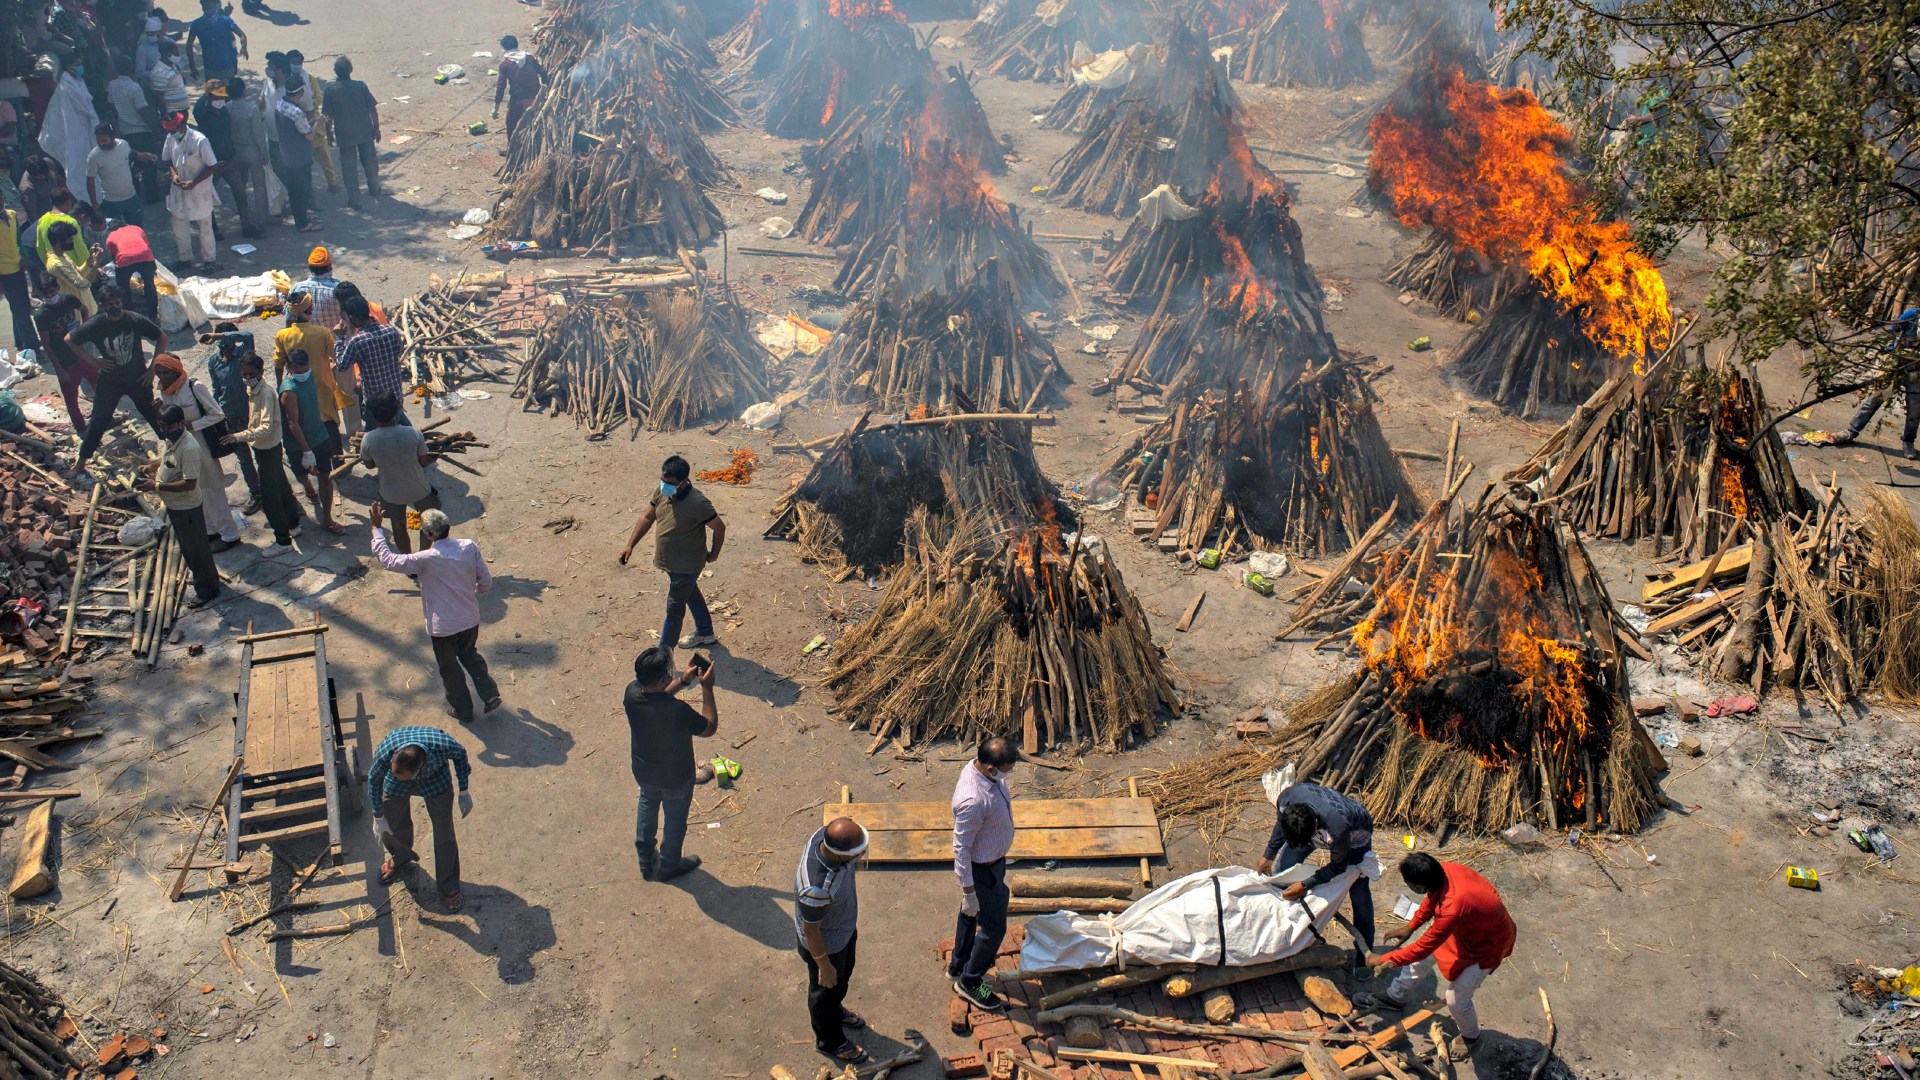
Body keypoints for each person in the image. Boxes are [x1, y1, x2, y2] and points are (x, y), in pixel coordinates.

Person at [1361, 854, 1517, 1060]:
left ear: (1418, 885)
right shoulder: (1443, 871)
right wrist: (1410, 926)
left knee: (1456, 999)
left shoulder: (1452, 907)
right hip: (1465, 929)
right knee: (1418, 961)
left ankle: (1471, 1036)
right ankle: (1396, 997)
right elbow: (1430, 900)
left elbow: (1423, 948)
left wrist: (1384, 959)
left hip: (1487, 945)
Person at [370, 503, 502, 724]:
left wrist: (376, 529)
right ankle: (490, 694)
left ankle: (464, 711)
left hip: (443, 629)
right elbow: (486, 582)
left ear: (429, 534)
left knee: (451, 671)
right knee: (471, 656)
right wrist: (473, 593)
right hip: (469, 619)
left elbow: (388, 560)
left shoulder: (424, 560)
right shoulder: (468, 547)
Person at [624, 645, 717, 882]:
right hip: (676, 777)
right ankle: (669, 865)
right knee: (675, 822)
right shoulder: (678, 711)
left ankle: (646, 858)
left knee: (647, 803)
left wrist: (684, 681)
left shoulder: (632, 694)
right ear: (664, 677)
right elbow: (709, 727)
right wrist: (707, 688)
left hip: (644, 770)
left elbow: (659, 697)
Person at [618, 455, 725, 651]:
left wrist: (714, 553)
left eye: (670, 483)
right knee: (691, 594)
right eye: (663, 480)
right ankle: (705, 632)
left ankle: (663, 655)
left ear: (684, 482)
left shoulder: (698, 503)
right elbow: (647, 516)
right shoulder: (661, 492)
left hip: (686, 565)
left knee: (674, 610)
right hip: (672, 563)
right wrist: (630, 544)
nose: (665, 485)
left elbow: (719, 527)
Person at [1257, 781, 1378, 953]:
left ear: (1314, 830)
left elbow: (1338, 867)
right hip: (1316, 826)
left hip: (1355, 838)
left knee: (1359, 892)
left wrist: (1305, 884)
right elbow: (1281, 824)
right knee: (1282, 872)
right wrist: (1269, 854)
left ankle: (1364, 952)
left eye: (1304, 843)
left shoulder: (1338, 829)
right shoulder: (1287, 799)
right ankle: (1277, 929)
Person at [367, 725, 473, 912]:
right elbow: (374, 780)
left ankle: (448, 886)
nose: (399, 777)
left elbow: (461, 754)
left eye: (404, 776)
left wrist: (464, 790)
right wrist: (378, 815)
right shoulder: (387, 752)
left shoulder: (443, 745)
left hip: (435, 781)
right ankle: (400, 856)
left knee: (444, 833)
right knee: (390, 817)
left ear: (418, 770)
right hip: (396, 781)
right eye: (394, 771)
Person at [794, 817, 871, 1066]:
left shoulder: (822, 836)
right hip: (825, 946)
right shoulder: (816, 889)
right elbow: (811, 930)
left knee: (842, 978)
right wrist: (824, 966)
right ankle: (830, 1040)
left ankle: (836, 1009)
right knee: (824, 992)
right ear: (841, 856)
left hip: (843, 931)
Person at [949, 737, 1018, 1011]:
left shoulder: (984, 774)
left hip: (993, 864)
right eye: (1006, 770)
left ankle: (959, 963)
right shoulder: (972, 800)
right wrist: (968, 890)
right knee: (993, 928)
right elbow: (961, 848)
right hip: (982, 871)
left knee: (969, 914)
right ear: (990, 768)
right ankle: (970, 981)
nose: (1008, 775)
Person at [151, 353, 241, 549]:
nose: (163, 377)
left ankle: (229, 533)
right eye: (159, 373)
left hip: (201, 444)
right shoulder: (165, 391)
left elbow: (217, 414)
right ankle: (210, 529)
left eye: (166, 372)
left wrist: (194, 424)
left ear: (176, 371)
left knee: (213, 488)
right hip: (181, 445)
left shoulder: (194, 387)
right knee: (197, 489)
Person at [70, 282, 167, 464]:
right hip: (110, 381)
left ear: (121, 301)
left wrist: (152, 370)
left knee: (153, 416)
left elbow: (162, 338)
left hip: (138, 378)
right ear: (102, 306)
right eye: (109, 304)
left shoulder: (134, 319)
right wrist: (93, 361)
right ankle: (81, 463)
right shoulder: (97, 324)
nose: (114, 307)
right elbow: (70, 339)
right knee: (99, 421)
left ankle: (176, 453)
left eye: (116, 303)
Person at [140, 405, 222, 607]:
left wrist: (156, 485)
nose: (166, 429)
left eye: (169, 426)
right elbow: (170, 462)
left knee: (196, 550)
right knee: (189, 548)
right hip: (176, 507)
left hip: (187, 507)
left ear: (180, 423)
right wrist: (152, 466)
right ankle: (209, 580)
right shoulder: (173, 441)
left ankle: (206, 591)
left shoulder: (189, 448)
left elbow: (189, 483)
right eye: (162, 426)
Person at [225, 351, 300, 555]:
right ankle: (294, 524)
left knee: (270, 497)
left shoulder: (265, 393)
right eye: (245, 374)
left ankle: (283, 541)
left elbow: (266, 427)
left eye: (251, 374)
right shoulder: (254, 389)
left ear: (261, 371)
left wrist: (238, 436)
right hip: (266, 448)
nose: (248, 378)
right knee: (283, 487)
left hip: (267, 449)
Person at [358, 393, 438, 552]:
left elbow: (369, 465)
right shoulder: (414, 433)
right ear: (397, 411)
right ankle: (424, 555)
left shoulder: (368, 439)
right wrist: (434, 457)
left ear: (373, 415)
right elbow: (423, 462)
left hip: (390, 492)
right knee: (428, 519)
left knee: (398, 524)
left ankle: (408, 562)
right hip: (418, 488)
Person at [277, 346, 339, 531]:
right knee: (302, 474)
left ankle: (327, 518)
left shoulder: (310, 377)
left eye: (305, 369)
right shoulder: (289, 391)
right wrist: (306, 451)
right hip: (298, 443)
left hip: (319, 435)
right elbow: (293, 424)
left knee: (325, 477)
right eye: (298, 370)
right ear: (289, 368)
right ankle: (308, 488)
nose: (303, 373)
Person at [203, 323, 263, 513]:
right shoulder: (214, 361)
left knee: (263, 454)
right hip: (230, 418)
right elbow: (216, 389)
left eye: (225, 340)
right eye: (220, 340)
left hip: (251, 414)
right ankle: (256, 493)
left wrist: (219, 335)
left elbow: (247, 335)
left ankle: (272, 490)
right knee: (244, 459)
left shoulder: (244, 356)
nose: (223, 345)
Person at [191, 80, 258, 238]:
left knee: (241, 194)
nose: (220, 101)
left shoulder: (224, 112)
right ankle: (212, 229)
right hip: (210, 164)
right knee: (207, 198)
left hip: (229, 160)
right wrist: (206, 93)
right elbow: (197, 109)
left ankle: (246, 226)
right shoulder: (203, 115)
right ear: (208, 97)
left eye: (221, 97)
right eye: (216, 97)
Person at [160, 110, 219, 273]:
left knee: (205, 228)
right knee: (179, 228)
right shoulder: (170, 138)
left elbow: (213, 165)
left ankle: (209, 261)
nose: (172, 134)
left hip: (199, 191)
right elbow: (167, 160)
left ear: (181, 126)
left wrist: (194, 183)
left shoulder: (200, 140)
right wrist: (173, 174)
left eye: (173, 131)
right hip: (178, 191)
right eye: (169, 132)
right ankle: (184, 259)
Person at [32, 289, 99, 429]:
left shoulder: (69, 299)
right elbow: (47, 344)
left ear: (57, 288)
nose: (50, 296)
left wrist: (83, 328)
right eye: (46, 294)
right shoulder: (41, 316)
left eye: (52, 292)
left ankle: (103, 416)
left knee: (99, 386)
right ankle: (81, 428)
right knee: (71, 399)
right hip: (65, 362)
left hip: (81, 354)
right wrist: (59, 370)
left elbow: (84, 309)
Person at [267, 68, 321, 234]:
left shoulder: (280, 104)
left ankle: (302, 218)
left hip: (286, 154)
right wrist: (318, 122)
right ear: (300, 92)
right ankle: (303, 223)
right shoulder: (297, 112)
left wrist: (309, 121)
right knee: (301, 191)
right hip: (299, 158)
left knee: (294, 190)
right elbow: (309, 136)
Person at [339, 294, 406, 424]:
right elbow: (399, 350)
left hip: (376, 406)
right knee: (396, 423)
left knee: (377, 435)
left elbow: (342, 365)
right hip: (396, 396)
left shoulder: (357, 341)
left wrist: (339, 338)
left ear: (354, 318)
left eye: (346, 318)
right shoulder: (391, 330)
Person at [324, 57, 381, 208]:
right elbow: (372, 110)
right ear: (351, 70)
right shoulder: (360, 86)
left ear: (335, 72)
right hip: (364, 130)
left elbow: (327, 117)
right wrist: (376, 128)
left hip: (345, 134)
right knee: (369, 160)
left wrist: (329, 133)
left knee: (349, 167)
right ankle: (374, 187)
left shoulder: (330, 90)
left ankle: (354, 200)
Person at [106, 60, 162, 203]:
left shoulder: (112, 85)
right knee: (149, 163)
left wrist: (117, 129)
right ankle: (152, 197)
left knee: (131, 165)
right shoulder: (134, 88)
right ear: (131, 69)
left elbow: (112, 109)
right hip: (141, 131)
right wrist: (156, 130)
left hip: (125, 132)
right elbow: (143, 110)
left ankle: (135, 195)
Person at [286, 51, 339, 192]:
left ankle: (332, 182)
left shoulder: (309, 78)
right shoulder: (286, 79)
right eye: (293, 62)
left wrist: (307, 104)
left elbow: (318, 97)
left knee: (324, 157)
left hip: (312, 121)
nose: (296, 65)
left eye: (299, 62)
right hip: (296, 125)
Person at [224, 77, 269, 234]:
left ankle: (244, 216)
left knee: (240, 186)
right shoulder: (252, 108)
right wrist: (264, 152)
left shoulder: (227, 108)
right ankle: (262, 220)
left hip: (236, 151)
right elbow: (258, 134)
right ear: (244, 91)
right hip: (252, 150)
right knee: (259, 187)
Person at [86, 123, 145, 225]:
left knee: (136, 229)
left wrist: (148, 155)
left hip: (131, 197)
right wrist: (94, 203)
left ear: (113, 137)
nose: (101, 143)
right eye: (98, 140)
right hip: (111, 202)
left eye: (104, 140)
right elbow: (90, 180)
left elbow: (133, 155)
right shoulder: (94, 157)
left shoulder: (123, 145)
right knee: (115, 233)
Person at [41, 221, 100, 317]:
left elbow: (79, 273)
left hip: (87, 307)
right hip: (77, 314)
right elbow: (83, 285)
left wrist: (90, 259)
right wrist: (96, 264)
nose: (72, 241)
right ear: (59, 242)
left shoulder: (63, 256)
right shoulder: (57, 265)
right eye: (70, 239)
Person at [493, 35, 546, 140]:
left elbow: (501, 87)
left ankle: (512, 148)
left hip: (518, 101)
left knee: (511, 123)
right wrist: (546, 91)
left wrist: (495, 109)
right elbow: (543, 73)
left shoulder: (505, 65)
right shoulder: (530, 58)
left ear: (504, 48)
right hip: (535, 98)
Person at [103, 221, 159, 319]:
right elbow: (147, 245)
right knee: (150, 285)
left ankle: (129, 315)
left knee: (123, 289)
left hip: (124, 259)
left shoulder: (111, 235)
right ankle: (153, 314)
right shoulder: (136, 228)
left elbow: (114, 256)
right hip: (145, 256)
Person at [185, 0, 247, 83]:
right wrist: (192, 66)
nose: (207, 10)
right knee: (220, 92)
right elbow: (242, 34)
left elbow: (241, 35)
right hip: (213, 68)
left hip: (224, 67)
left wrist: (243, 47)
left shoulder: (224, 20)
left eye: (209, 7)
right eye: (205, 7)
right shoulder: (198, 24)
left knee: (217, 92)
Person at [0, 205, 33, 354]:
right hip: (4, 272)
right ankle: (31, 346)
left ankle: (20, 341)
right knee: (21, 310)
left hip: (18, 267)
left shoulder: (12, 215)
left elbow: (18, 239)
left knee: (22, 305)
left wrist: (24, 254)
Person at [288, 246, 341, 338]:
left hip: (305, 343)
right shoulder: (339, 289)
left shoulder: (297, 288)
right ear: (329, 267)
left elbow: (289, 318)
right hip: (334, 343)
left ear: (310, 267)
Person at [33, 188, 87, 271]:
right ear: (68, 203)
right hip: (74, 269)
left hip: (56, 269)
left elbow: (40, 248)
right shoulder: (70, 222)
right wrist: (90, 265)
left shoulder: (42, 220)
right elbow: (80, 249)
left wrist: (49, 266)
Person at [149, 41, 191, 116]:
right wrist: (166, 116)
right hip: (173, 114)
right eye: (176, 53)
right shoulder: (159, 73)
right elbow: (160, 98)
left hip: (182, 111)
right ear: (168, 54)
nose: (179, 56)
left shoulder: (174, 66)